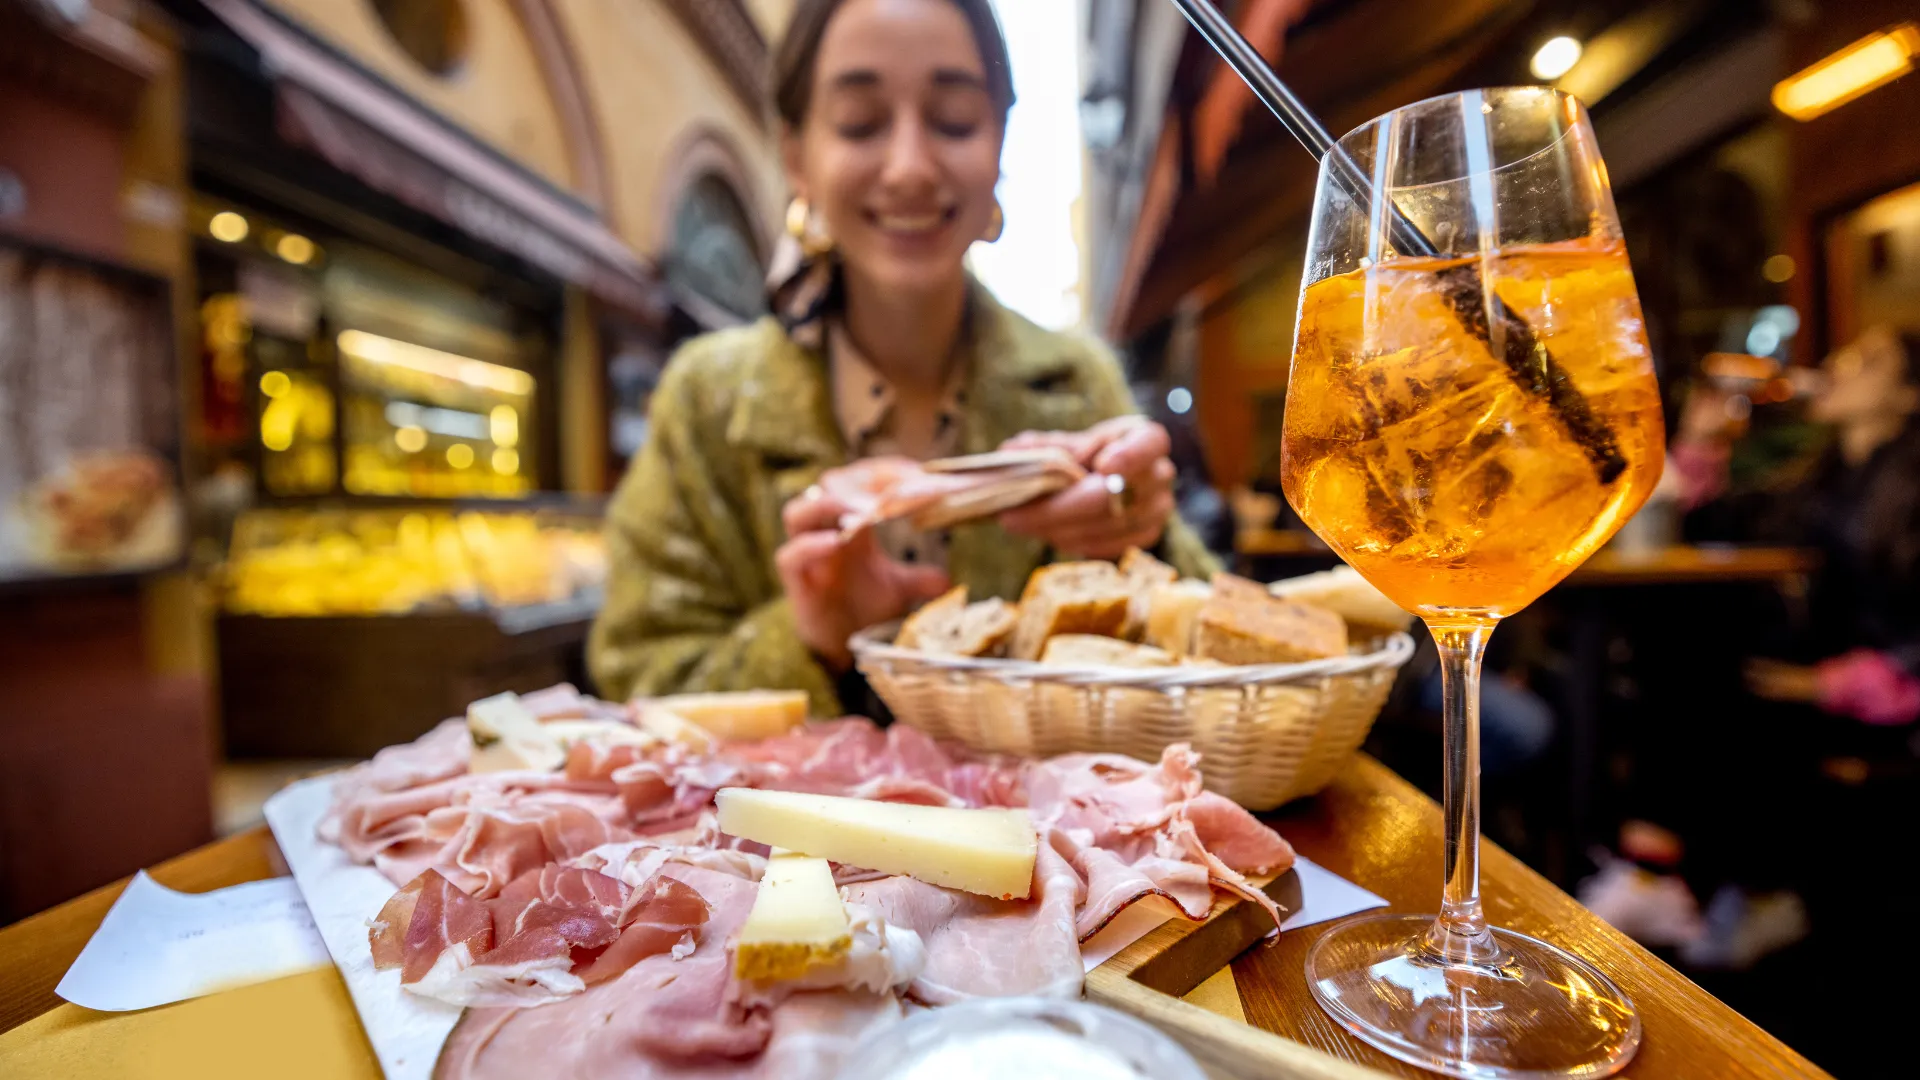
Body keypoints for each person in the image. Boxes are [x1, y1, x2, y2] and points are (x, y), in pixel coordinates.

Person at [589, 0, 1217, 714]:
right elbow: (635, 675)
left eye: (953, 120)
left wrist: (1141, 534)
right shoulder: (706, 400)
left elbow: (1206, 657)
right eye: (860, 123)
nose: (911, 167)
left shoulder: (1076, 383)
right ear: (796, 156)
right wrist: (810, 638)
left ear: (1000, 142)